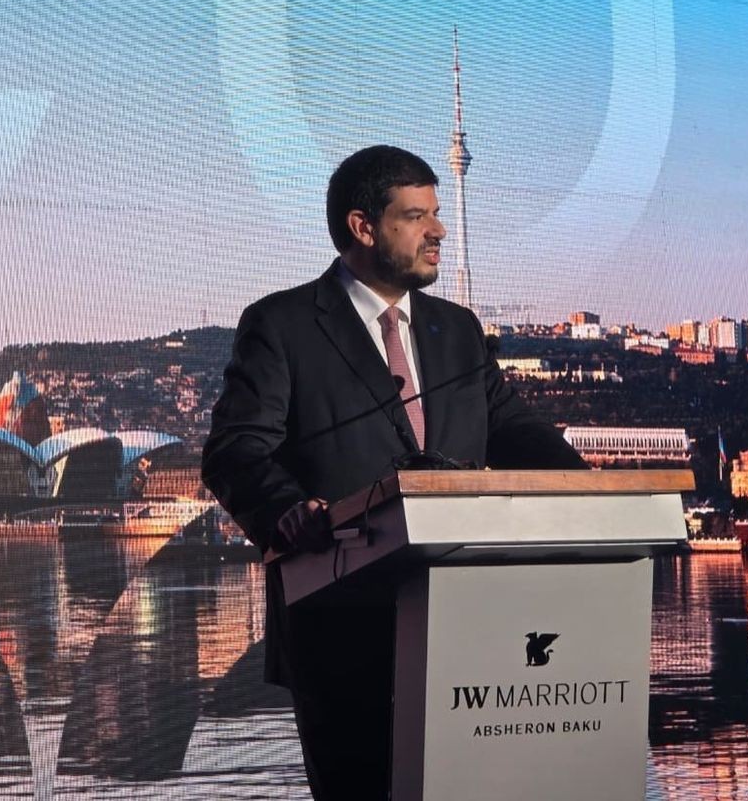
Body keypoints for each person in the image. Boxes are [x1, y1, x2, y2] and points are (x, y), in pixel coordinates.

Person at [202, 144, 587, 800]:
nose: (439, 230)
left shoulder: (458, 330)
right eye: (417, 216)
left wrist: (589, 487)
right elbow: (235, 450)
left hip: (472, 630)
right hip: (342, 628)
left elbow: (511, 426)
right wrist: (289, 512)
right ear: (364, 227)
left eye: (438, 213)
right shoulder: (283, 325)